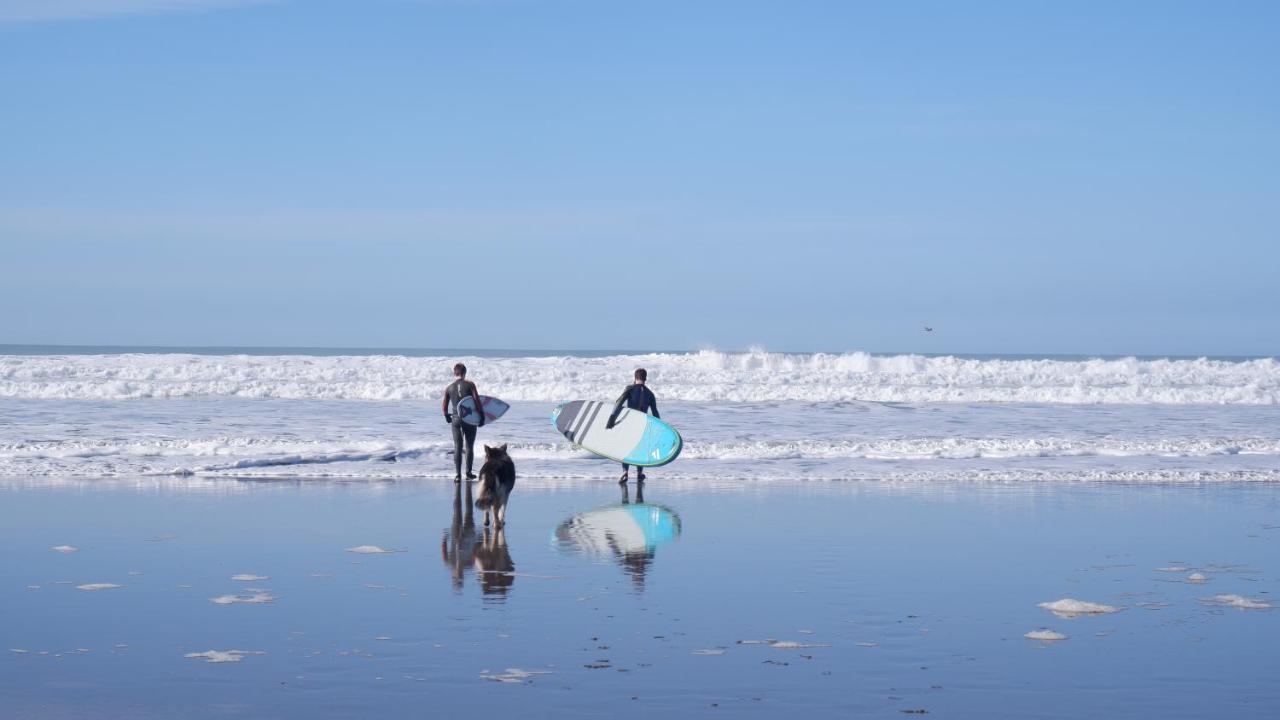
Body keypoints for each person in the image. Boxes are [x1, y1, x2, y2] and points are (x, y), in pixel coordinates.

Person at [605, 367, 659, 484]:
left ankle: (625, 472)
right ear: (645, 379)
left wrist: (611, 419)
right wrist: (659, 428)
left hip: (630, 424)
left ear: (635, 378)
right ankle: (639, 474)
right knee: (641, 448)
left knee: (626, 448)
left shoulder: (629, 389)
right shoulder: (650, 394)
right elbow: (655, 413)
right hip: (642, 425)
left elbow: (619, 404)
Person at [441, 362, 485, 482]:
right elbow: (476, 400)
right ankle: (468, 472)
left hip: (455, 419)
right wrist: (481, 415)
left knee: (457, 446)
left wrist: (446, 416)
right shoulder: (470, 384)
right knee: (469, 446)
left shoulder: (449, 388)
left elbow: (444, 405)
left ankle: (457, 475)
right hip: (469, 419)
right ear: (464, 373)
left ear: (455, 373)